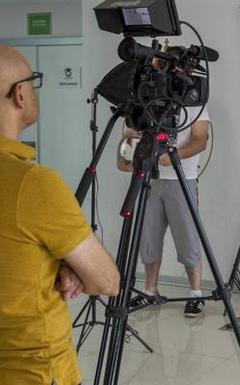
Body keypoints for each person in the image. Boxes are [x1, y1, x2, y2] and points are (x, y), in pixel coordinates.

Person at [0, 44, 120, 384]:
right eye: (33, 81)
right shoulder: (34, 184)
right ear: (19, 94)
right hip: (31, 370)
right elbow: (106, 281)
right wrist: (71, 264)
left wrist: (56, 261)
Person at [117, 105, 211, 318]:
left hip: (181, 179)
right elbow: (130, 133)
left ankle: (195, 294)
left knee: (187, 236)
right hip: (148, 177)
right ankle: (150, 290)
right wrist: (125, 155)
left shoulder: (194, 104)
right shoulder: (145, 101)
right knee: (147, 236)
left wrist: (172, 157)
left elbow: (200, 141)